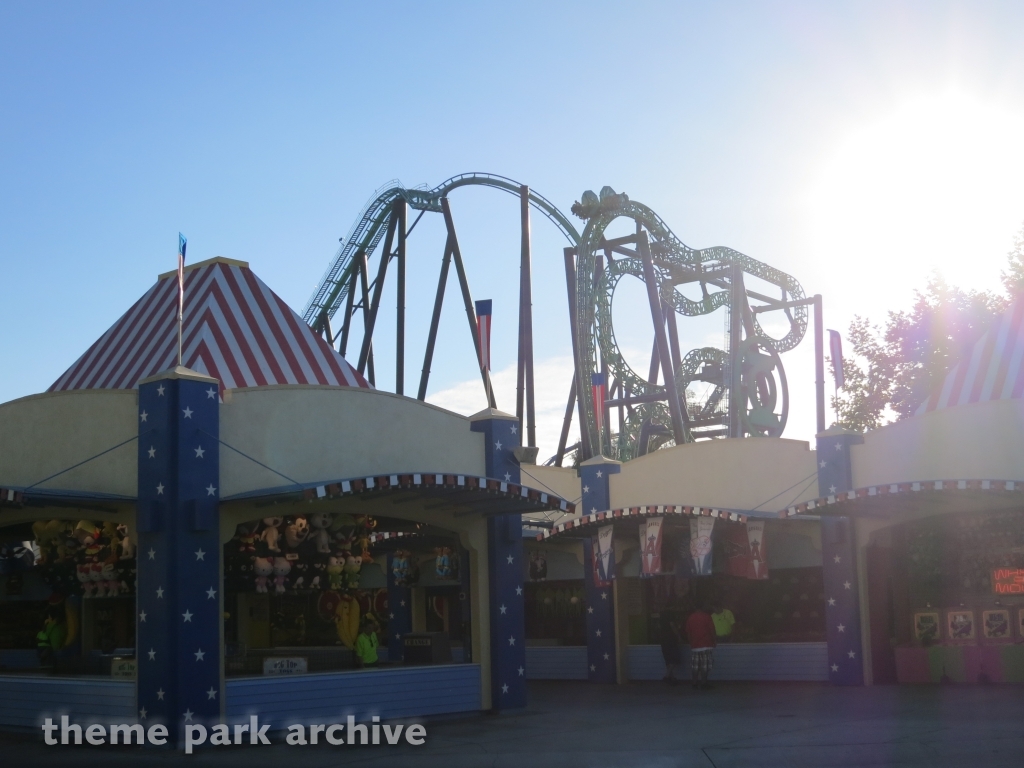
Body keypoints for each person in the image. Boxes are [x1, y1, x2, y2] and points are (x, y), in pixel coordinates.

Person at [685, 603, 717, 689]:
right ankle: (704, 683)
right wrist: (714, 641)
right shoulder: (707, 616)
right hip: (706, 644)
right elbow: (712, 630)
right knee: (704, 666)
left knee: (695, 666)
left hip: (695, 646)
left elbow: (688, 632)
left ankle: (694, 683)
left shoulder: (690, 618)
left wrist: (691, 643)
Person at [660, 614, 682, 685]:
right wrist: (678, 636)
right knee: (675, 659)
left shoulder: (661, 617)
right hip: (671, 641)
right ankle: (667, 676)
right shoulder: (670, 616)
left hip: (663, 641)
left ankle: (671, 678)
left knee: (668, 660)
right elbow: (672, 625)